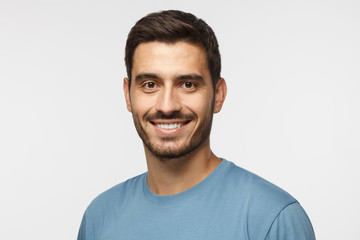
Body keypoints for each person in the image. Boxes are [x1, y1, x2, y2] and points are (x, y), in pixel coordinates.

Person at [77, 10, 315, 240]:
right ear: (128, 96)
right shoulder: (99, 217)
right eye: (150, 84)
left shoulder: (273, 219)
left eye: (188, 84)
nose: (167, 106)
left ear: (218, 95)